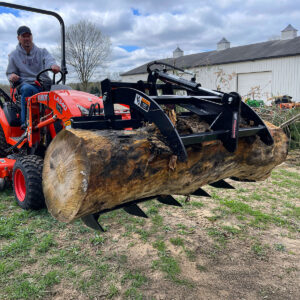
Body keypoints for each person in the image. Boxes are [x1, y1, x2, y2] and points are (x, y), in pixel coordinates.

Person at [6, 25, 60, 129]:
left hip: (43, 84)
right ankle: (26, 124)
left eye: (28, 36)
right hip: (25, 84)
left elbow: (50, 60)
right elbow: (10, 73)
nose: (27, 38)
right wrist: (12, 75)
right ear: (19, 38)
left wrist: (53, 66)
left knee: (63, 90)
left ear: (32, 37)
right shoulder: (14, 55)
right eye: (24, 36)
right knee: (28, 89)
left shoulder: (41, 51)